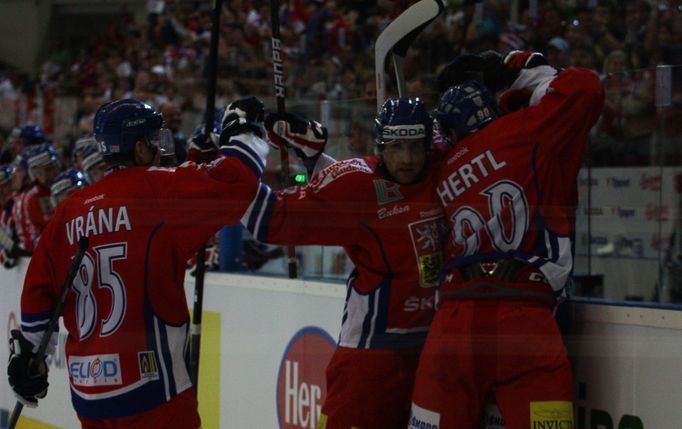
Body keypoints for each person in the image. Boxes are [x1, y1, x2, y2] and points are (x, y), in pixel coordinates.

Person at [7, 97, 269, 429]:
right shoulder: (157, 189)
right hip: (153, 390)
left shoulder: (69, 210)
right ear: (140, 147)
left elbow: (38, 295)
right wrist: (243, 132)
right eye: (155, 140)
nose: (162, 148)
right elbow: (238, 182)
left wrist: (30, 356)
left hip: (89, 396)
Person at [408, 51, 605, 428]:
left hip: (452, 320)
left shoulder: (440, 168)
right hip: (525, 318)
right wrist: (528, 74)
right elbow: (586, 88)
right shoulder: (530, 128)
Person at [247, 98, 448, 429]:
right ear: (381, 147)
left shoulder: (442, 167)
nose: (408, 159)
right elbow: (269, 222)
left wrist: (313, 157)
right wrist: (241, 153)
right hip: (371, 357)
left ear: (430, 145)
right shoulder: (355, 183)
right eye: (396, 147)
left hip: (432, 353)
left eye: (415, 147)